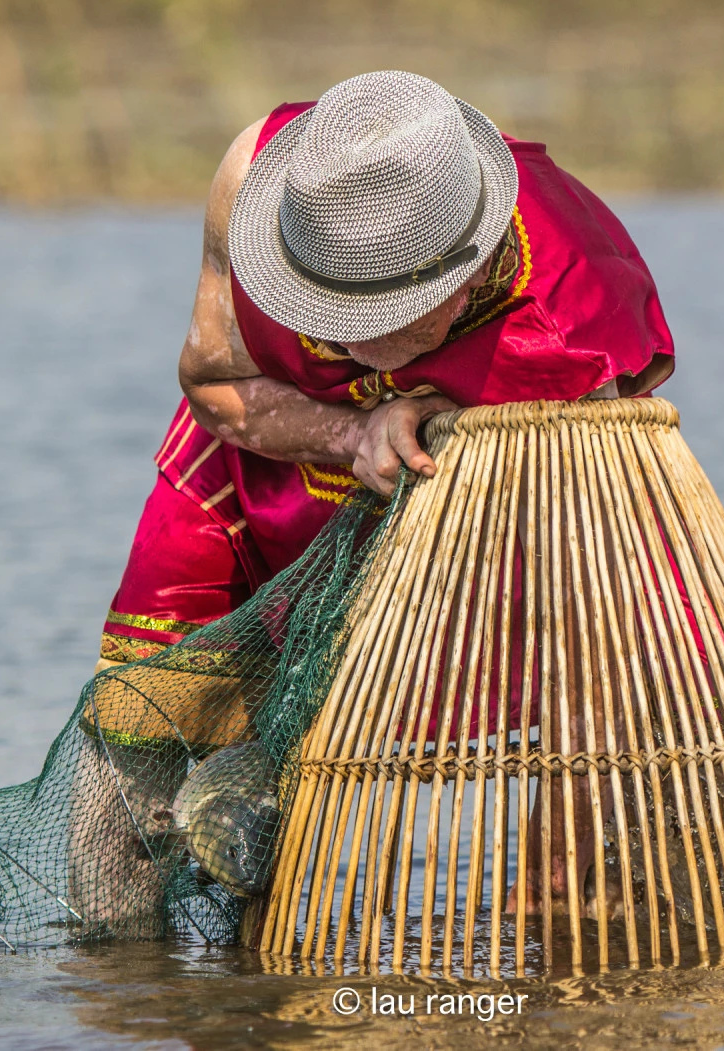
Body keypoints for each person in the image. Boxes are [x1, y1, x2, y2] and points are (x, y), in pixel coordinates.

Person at [76, 70, 675, 930]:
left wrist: (569, 823)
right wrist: (353, 433)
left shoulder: (568, 325)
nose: (339, 335)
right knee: (136, 740)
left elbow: (582, 564)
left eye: (384, 316)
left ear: (462, 282)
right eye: (318, 300)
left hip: (454, 515)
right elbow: (211, 379)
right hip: (255, 459)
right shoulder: (258, 178)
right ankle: (122, 965)